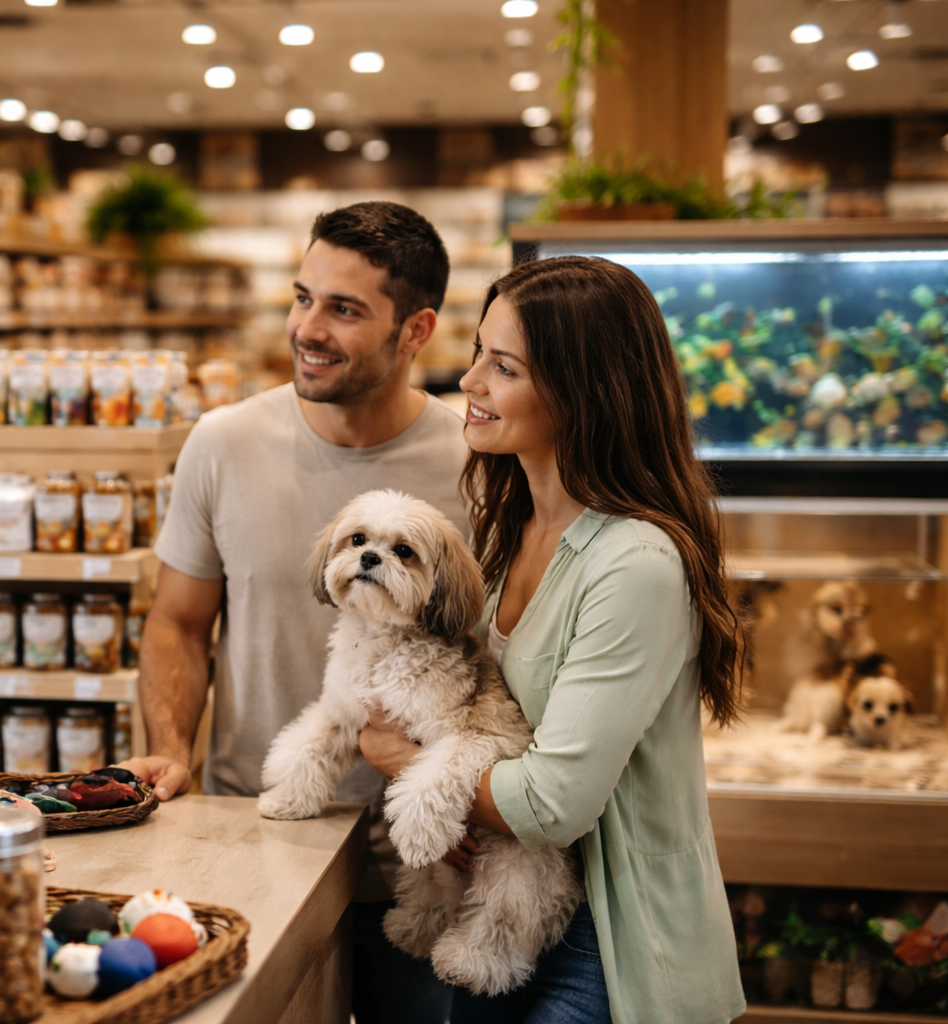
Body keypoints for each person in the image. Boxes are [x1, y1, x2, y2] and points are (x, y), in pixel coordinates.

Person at [360, 255, 746, 1023]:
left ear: (583, 393)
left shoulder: (634, 564)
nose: (469, 381)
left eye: (502, 367)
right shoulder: (511, 530)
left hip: (609, 939)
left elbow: (548, 805)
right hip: (497, 909)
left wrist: (400, 759)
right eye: (478, 353)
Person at [123, 201, 468, 1023]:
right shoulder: (222, 442)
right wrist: (170, 748)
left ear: (416, 331)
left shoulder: (476, 459)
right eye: (303, 297)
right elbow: (177, 623)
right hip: (258, 832)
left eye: (344, 309)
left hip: (427, 859)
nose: (307, 329)